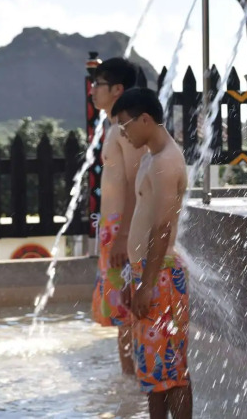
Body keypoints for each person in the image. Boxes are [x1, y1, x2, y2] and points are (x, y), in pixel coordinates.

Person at [111, 87, 193, 419]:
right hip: (147, 272)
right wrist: (133, 278)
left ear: (145, 119)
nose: (123, 134)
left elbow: (162, 229)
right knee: (152, 373)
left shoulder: (166, 162)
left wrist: (146, 284)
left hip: (162, 275)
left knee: (172, 372)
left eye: (125, 126)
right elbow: (143, 222)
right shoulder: (149, 158)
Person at [89, 57, 145, 374]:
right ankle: (128, 382)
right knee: (121, 312)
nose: (92, 90)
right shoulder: (115, 128)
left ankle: (136, 381)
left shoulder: (125, 129)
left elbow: (137, 183)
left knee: (128, 310)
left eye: (98, 84)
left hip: (124, 230)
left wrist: (124, 236)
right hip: (115, 229)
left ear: (117, 89)